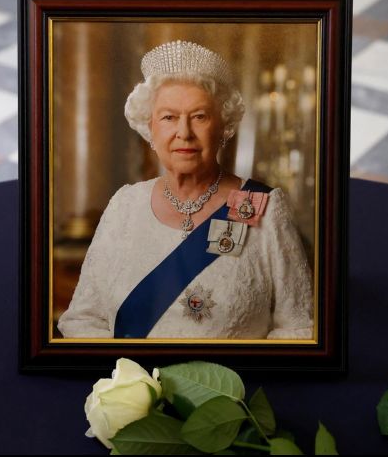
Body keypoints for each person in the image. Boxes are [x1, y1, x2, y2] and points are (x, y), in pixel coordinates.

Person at [58, 40, 313, 339]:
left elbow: (299, 328)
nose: (184, 132)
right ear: (150, 128)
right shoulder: (125, 205)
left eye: (200, 117)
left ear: (223, 127)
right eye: (169, 117)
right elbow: (82, 319)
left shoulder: (262, 206)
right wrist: (133, 383)